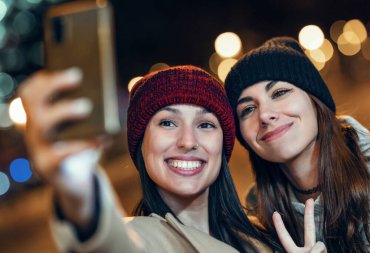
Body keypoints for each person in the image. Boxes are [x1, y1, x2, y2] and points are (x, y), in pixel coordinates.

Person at [20, 65, 310, 253]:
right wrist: (78, 186)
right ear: (141, 145)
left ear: (224, 145)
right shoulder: (138, 239)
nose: (187, 141)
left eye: (206, 125)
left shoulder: (265, 235)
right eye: (168, 123)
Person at [224, 36, 370, 253]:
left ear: (315, 101)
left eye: (279, 93)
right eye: (247, 109)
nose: (265, 115)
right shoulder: (255, 213)